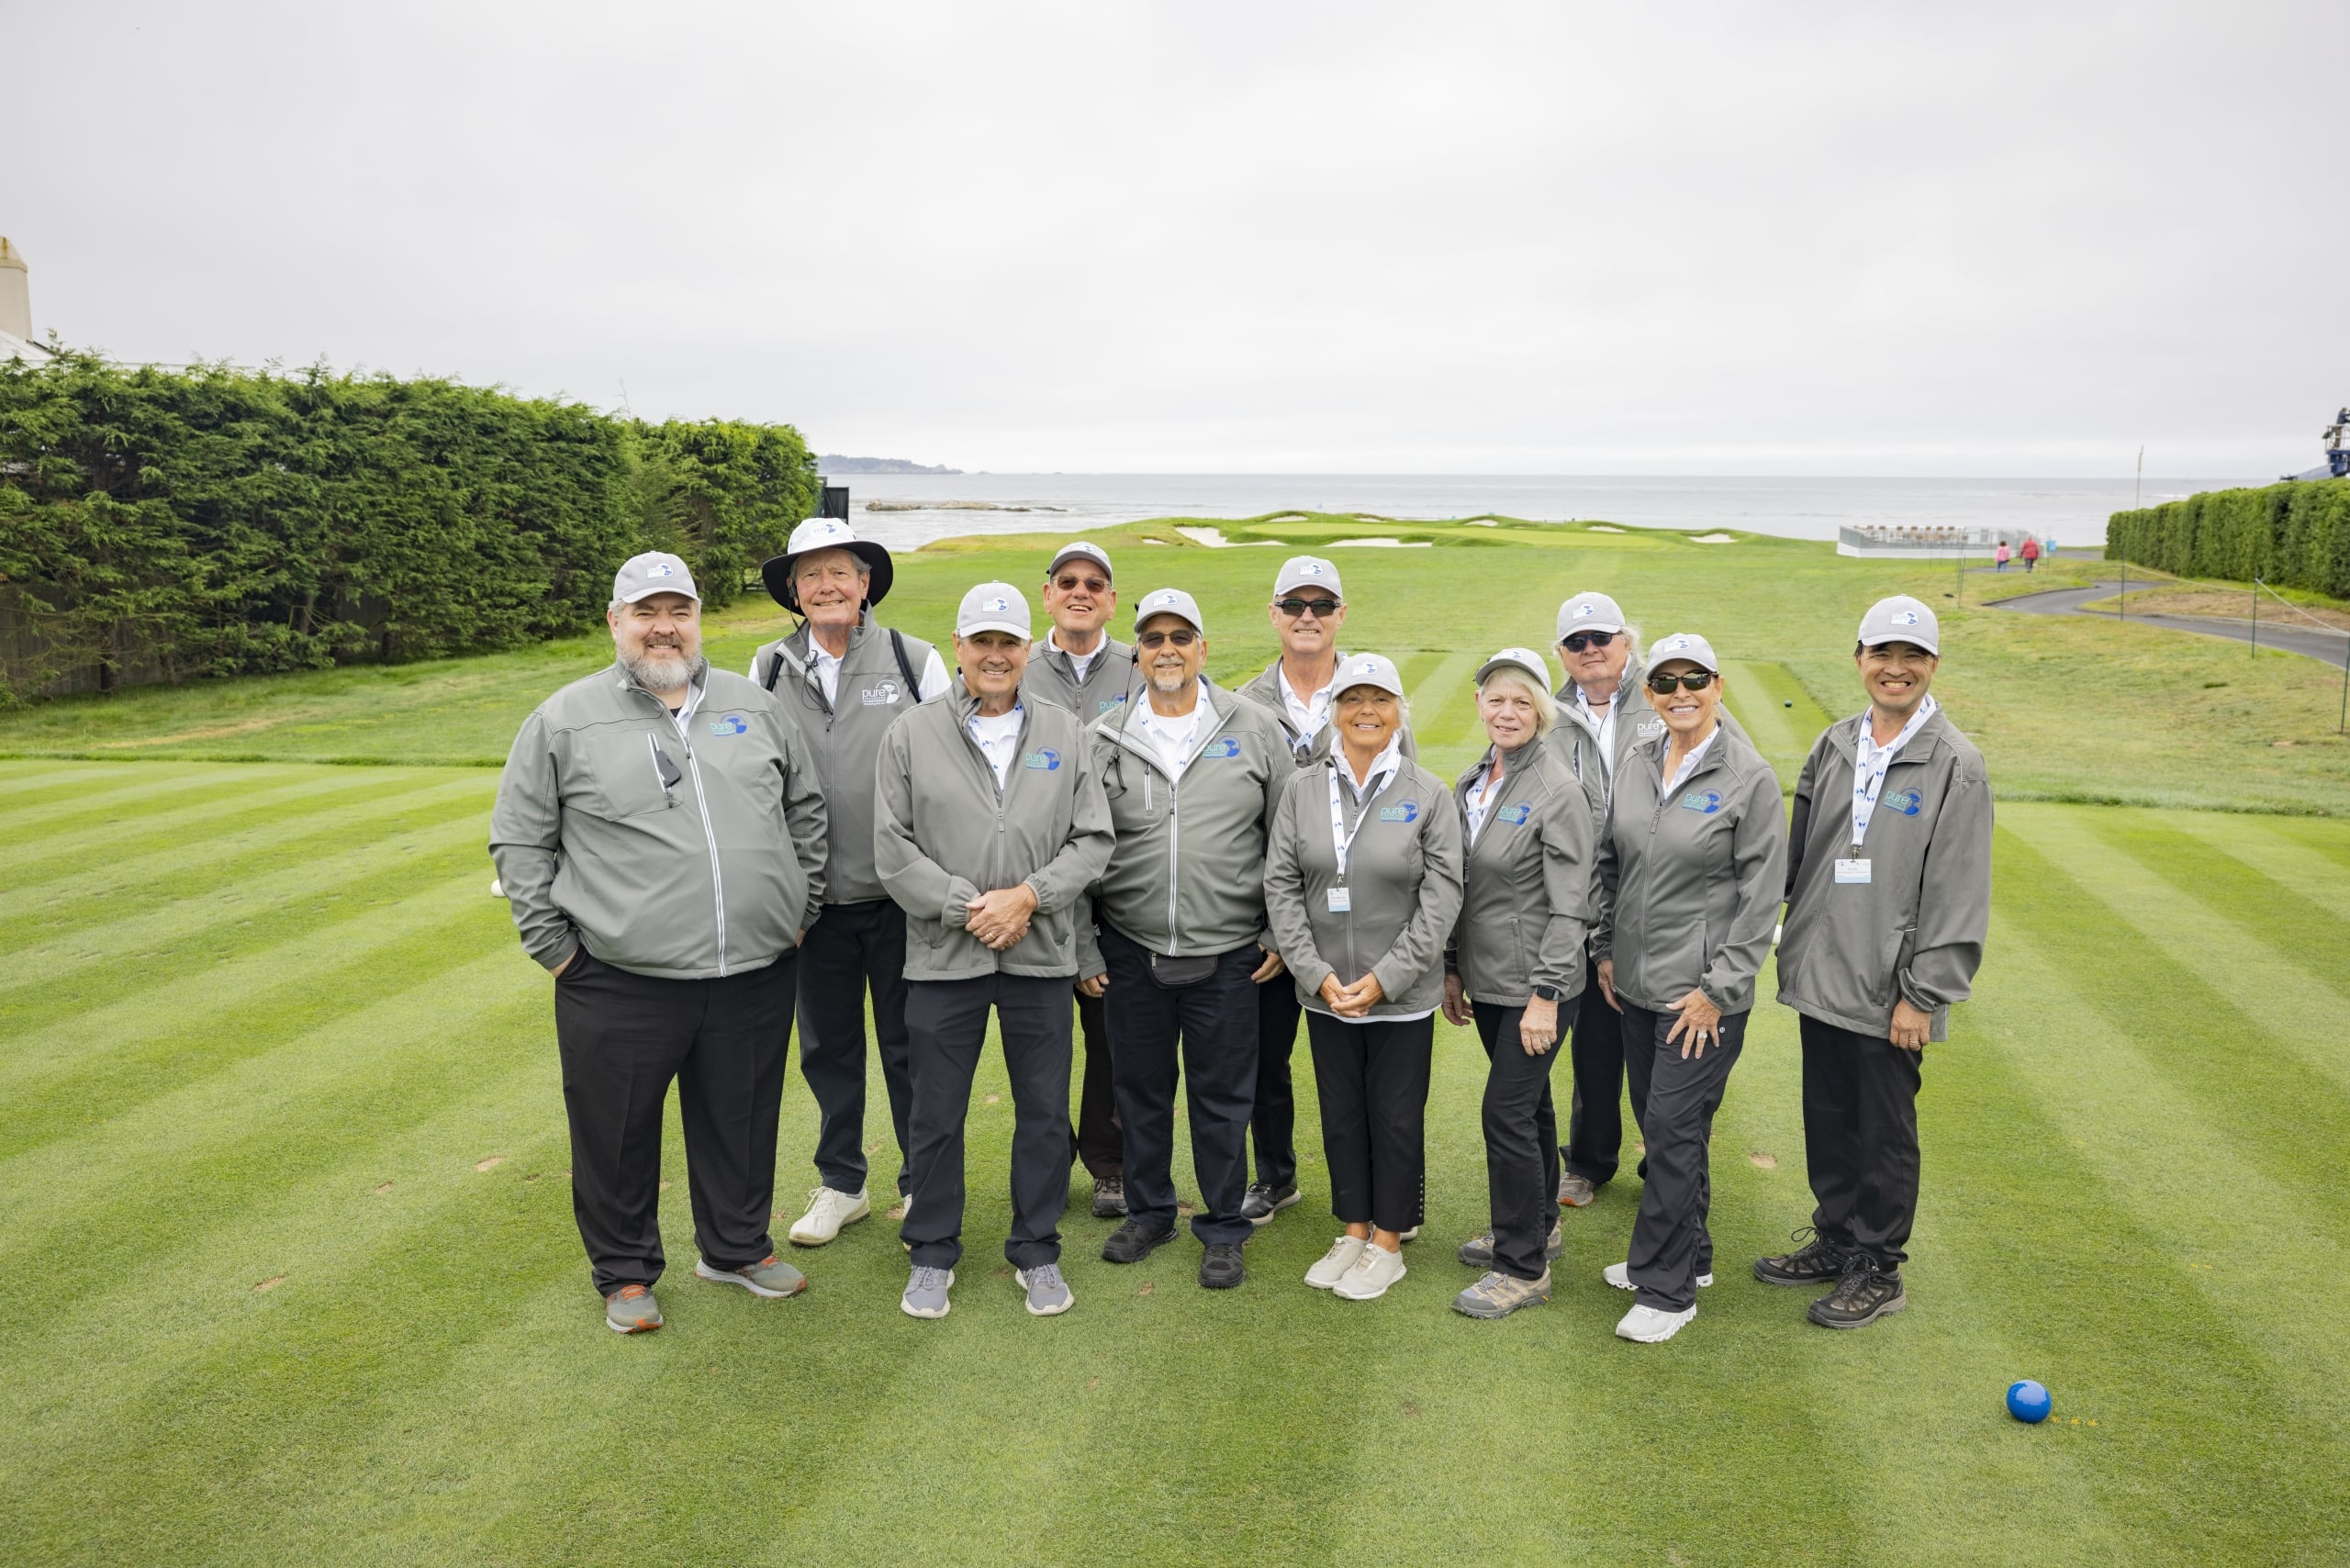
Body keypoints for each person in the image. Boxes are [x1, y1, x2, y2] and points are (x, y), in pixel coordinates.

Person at [490, 553, 829, 1335]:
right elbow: (519, 842)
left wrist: (797, 908)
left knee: (741, 1119)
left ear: (699, 619)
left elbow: (806, 813)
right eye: (646, 612)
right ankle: (626, 1274)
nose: (663, 628)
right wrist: (558, 950)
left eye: (678, 610)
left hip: (752, 967)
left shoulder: (755, 706)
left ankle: (736, 1247)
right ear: (616, 622)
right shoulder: (564, 718)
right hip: (618, 976)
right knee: (616, 1133)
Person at [873, 583, 1113, 1320]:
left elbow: (1092, 839)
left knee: (1043, 1111)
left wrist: (1028, 897)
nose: (996, 656)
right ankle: (932, 1251)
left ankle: (1037, 1248)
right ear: (959, 648)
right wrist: (969, 908)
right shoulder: (910, 734)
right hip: (945, 957)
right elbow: (892, 847)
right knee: (936, 1114)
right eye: (982, 643)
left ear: (1028, 648)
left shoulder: (1066, 733)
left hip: (1040, 954)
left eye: (1009, 643)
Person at [1757, 596, 1991, 1329]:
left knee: (1883, 1132)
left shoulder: (1956, 762)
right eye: (1882, 655)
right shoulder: (1834, 743)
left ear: (1933, 666)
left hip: (1891, 986)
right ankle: (1835, 1240)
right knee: (1828, 1119)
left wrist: (1924, 995)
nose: (1896, 670)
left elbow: (1959, 890)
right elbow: (1798, 857)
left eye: (1912, 657)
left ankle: (1878, 1265)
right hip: (1822, 972)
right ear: (1859, 659)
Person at [749, 518, 951, 1249]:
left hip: (901, 902)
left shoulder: (912, 658)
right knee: (827, 1050)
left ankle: (919, 1182)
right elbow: (755, 781)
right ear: (795, 593)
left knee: (910, 1047)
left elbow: (948, 774)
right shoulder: (767, 668)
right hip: (811, 907)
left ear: (866, 584)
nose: (827, 586)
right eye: (811, 576)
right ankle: (843, 1183)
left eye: (841, 572)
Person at [1079, 588, 1289, 1289]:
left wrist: (1276, 932)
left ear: (1203, 646)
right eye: (1153, 637)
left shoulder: (1252, 725)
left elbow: (1286, 841)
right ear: (1137, 651)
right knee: (1138, 1089)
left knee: (1223, 1094)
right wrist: (1084, 942)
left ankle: (1224, 1225)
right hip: (1132, 948)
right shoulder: (1105, 732)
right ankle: (1150, 1210)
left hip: (1229, 953)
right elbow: (1078, 842)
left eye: (1180, 636)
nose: (1166, 648)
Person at [1592, 633, 1785, 1343]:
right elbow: (1611, 865)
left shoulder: (1748, 777)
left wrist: (1720, 988)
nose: (1681, 693)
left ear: (1718, 685)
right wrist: (1606, 950)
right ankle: (1691, 1255)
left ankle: (1667, 1290)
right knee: (1669, 1127)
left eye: (1694, 680)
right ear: (1650, 694)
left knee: (1670, 1136)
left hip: (1700, 999)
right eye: (1667, 682)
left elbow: (1763, 898)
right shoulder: (1638, 763)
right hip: (1637, 988)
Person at [1264, 655, 1464, 1302]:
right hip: (1327, 995)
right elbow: (1282, 885)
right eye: (1353, 700)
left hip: (1399, 997)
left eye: (1380, 699)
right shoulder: (1302, 789)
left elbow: (1442, 900)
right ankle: (1353, 1228)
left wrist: (1386, 979)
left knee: (1395, 1116)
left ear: (1399, 711)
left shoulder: (1427, 793)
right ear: (1335, 712)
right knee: (1343, 1116)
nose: (1366, 711)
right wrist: (1316, 974)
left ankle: (1388, 1241)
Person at [1233, 555, 1416, 1227]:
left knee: (1376, 1073)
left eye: (1321, 605)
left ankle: (1389, 1202)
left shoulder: (1374, 696)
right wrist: (1274, 929)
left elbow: (1410, 812)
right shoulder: (1244, 703)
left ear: (1341, 614)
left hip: (1363, 924)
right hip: (1273, 918)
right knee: (1262, 1058)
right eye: (1294, 604)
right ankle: (1275, 1176)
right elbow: (1239, 818)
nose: (1307, 617)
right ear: (1275, 613)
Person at [1439, 648, 1595, 1318]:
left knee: (1503, 1113)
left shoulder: (1557, 789)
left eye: (1522, 701)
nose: (1507, 712)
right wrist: (1451, 966)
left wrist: (1547, 996)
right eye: (1496, 699)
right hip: (1491, 981)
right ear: (1480, 705)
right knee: (1529, 1111)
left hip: (1539, 987)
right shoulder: (1475, 779)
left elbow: (1572, 905)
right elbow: (1459, 884)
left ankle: (1522, 1267)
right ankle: (1538, 1226)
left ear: (1542, 710)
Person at [1023, 541, 1135, 1218]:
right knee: (1037, 1041)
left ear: (1111, 600)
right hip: (1033, 886)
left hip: (1115, 886)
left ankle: (1110, 1162)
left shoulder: (1138, 666)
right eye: (1068, 581)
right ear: (1049, 595)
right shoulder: (1013, 661)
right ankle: (1046, 1155)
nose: (1081, 591)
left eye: (1095, 583)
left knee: (1109, 1041)